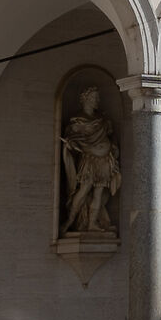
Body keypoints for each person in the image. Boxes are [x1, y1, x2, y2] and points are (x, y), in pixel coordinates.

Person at [61, 85, 122, 234]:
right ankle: (70, 220)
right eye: (95, 98)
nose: (98, 100)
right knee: (85, 189)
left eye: (98, 98)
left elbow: (110, 136)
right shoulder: (78, 121)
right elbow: (72, 139)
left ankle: (92, 224)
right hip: (89, 159)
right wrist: (71, 145)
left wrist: (113, 146)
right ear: (86, 99)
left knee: (99, 192)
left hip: (104, 160)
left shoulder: (101, 119)